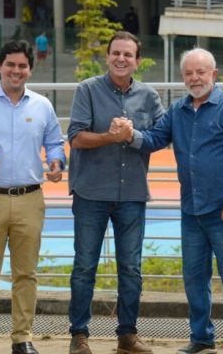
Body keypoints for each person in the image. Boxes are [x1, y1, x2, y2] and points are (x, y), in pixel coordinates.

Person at [129, 48, 223, 354]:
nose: (194, 78)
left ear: (213, 74)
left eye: (200, 72)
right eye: (188, 73)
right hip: (191, 209)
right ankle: (201, 337)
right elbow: (156, 138)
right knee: (194, 278)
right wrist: (129, 134)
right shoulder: (178, 110)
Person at [0, 39, 66, 354]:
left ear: (29, 70)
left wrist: (57, 161)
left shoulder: (42, 106)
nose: (16, 71)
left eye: (22, 66)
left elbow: (55, 142)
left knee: (26, 273)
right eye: (10, 65)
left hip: (30, 198)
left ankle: (23, 338)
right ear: (0, 66)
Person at [67, 31, 165, 354]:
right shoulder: (87, 90)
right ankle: (79, 335)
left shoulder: (150, 97)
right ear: (107, 57)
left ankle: (127, 335)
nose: (121, 59)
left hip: (132, 195)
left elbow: (161, 137)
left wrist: (132, 134)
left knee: (131, 268)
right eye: (116, 53)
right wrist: (111, 137)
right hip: (90, 193)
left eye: (128, 54)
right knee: (84, 266)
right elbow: (76, 137)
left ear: (138, 61)